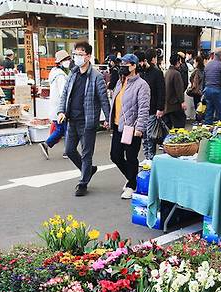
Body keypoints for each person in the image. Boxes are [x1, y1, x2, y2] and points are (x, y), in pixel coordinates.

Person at [57, 41, 111, 197]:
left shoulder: (96, 77)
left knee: (87, 153)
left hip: (87, 121)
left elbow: (103, 99)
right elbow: (65, 95)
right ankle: (88, 170)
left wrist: (107, 118)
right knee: (69, 150)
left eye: (80, 54)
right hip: (71, 120)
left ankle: (83, 183)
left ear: (88, 56)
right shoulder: (73, 73)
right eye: (75, 54)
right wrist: (61, 111)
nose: (77, 57)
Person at [109, 54, 150, 200]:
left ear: (133, 66)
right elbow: (115, 103)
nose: (122, 67)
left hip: (131, 128)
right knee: (115, 155)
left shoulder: (142, 85)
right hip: (117, 125)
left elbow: (144, 109)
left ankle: (132, 185)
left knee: (131, 157)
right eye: (121, 65)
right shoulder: (120, 82)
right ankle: (132, 178)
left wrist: (139, 128)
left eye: (125, 65)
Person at [40, 50, 71, 159]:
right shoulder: (61, 76)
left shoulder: (54, 73)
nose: (69, 61)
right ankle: (67, 151)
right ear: (61, 62)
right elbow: (64, 92)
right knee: (66, 129)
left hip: (55, 106)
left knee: (60, 129)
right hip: (61, 107)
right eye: (67, 60)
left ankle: (47, 144)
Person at [137, 48, 165, 163]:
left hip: (153, 108)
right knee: (144, 135)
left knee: (150, 135)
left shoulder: (157, 72)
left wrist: (160, 108)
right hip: (142, 109)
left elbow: (161, 91)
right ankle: (147, 156)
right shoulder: (141, 72)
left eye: (140, 62)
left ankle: (151, 157)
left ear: (145, 60)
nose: (139, 65)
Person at [203, 48, 221, 124]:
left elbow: (204, 79)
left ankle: (207, 131)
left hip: (207, 90)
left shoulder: (207, 65)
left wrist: (203, 91)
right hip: (218, 90)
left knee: (209, 112)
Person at [163, 53, 187, 129]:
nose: (180, 63)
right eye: (179, 61)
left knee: (168, 127)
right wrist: (182, 102)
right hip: (175, 105)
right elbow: (179, 89)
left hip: (167, 105)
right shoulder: (176, 74)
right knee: (180, 126)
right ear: (177, 62)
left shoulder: (167, 72)